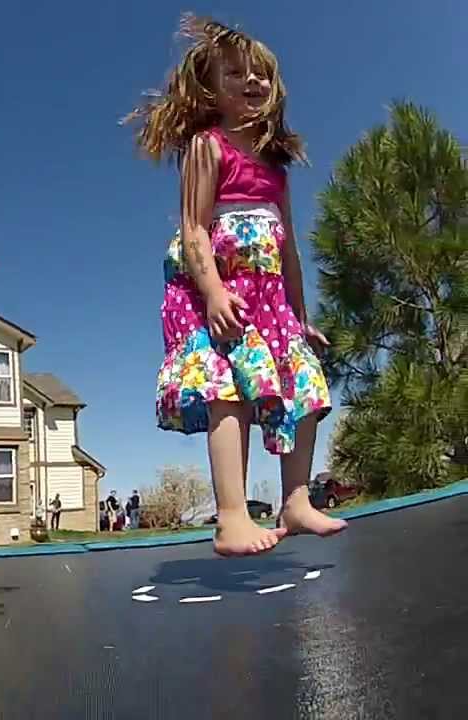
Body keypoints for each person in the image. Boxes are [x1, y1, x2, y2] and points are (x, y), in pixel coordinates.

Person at [124, 15, 347, 556]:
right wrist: (214, 291)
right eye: (235, 74)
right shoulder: (208, 145)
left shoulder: (277, 164)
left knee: (305, 384)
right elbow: (194, 225)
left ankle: (295, 499)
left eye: (262, 75)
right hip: (216, 292)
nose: (252, 83)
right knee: (226, 391)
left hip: (271, 299)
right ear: (210, 88)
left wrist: (300, 314)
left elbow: (288, 246)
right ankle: (230, 515)